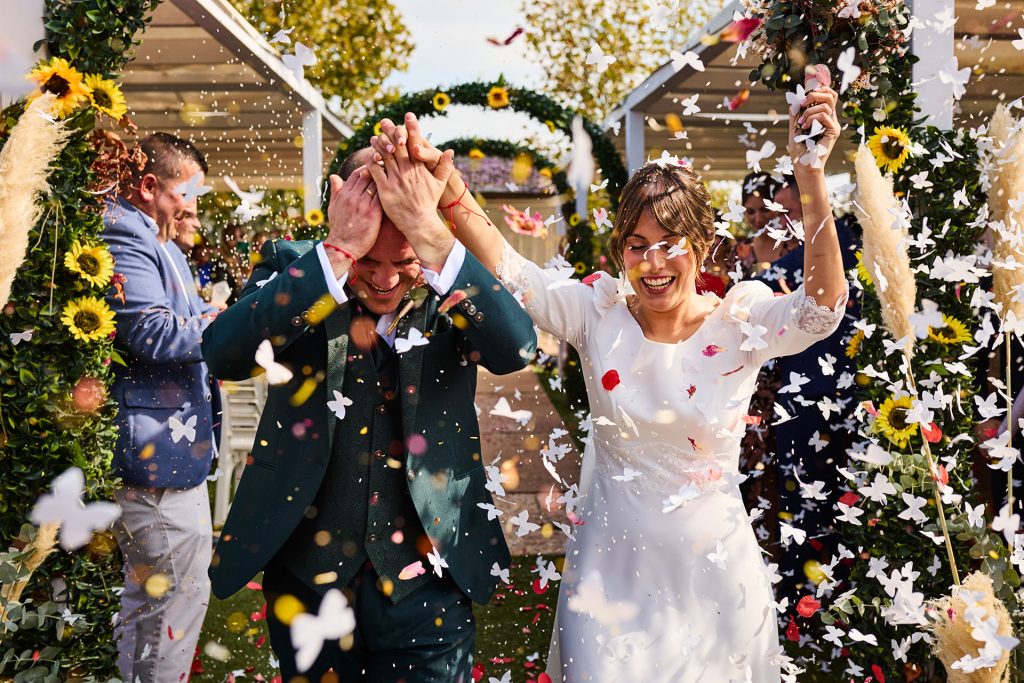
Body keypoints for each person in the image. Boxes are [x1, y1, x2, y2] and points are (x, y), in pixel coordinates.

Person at [379, 63, 847, 681]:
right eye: (636, 244)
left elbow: (821, 311)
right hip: (607, 578)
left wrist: (810, 173)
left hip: (713, 583)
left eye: (669, 243)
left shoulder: (741, 320)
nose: (651, 264)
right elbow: (511, 267)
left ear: (702, 244)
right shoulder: (597, 315)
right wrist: (449, 193)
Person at [202, 146, 537, 680]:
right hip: (308, 578)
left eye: (402, 264)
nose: (384, 281)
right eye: (368, 264)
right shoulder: (295, 266)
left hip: (432, 579)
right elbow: (225, 353)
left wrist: (432, 237)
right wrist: (337, 253)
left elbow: (516, 349)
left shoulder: (449, 272)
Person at [101, 132, 220, 681]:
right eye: (186, 194)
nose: (193, 207)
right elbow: (151, 332)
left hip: (177, 452)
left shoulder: (162, 242)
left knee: (165, 603)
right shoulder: (124, 230)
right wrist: (231, 322)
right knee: (170, 605)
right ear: (149, 186)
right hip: (154, 457)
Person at [753, 177, 860, 601]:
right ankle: (851, 593)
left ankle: (805, 598)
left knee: (803, 508)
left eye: (786, 212)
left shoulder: (784, 271)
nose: (781, 221)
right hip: (862, 404)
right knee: (852, 502)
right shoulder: (865, 251)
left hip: (803, 407)